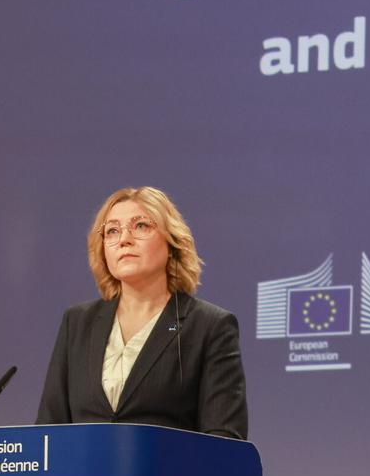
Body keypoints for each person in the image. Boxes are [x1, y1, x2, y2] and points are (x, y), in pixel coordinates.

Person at [37, 187, 248, 438]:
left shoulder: (210, 327)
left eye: (140, 226)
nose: (124, 239)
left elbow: (224, 439)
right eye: (112, 231)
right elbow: (48, 433)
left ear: (172, 242)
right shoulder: (78, 323)